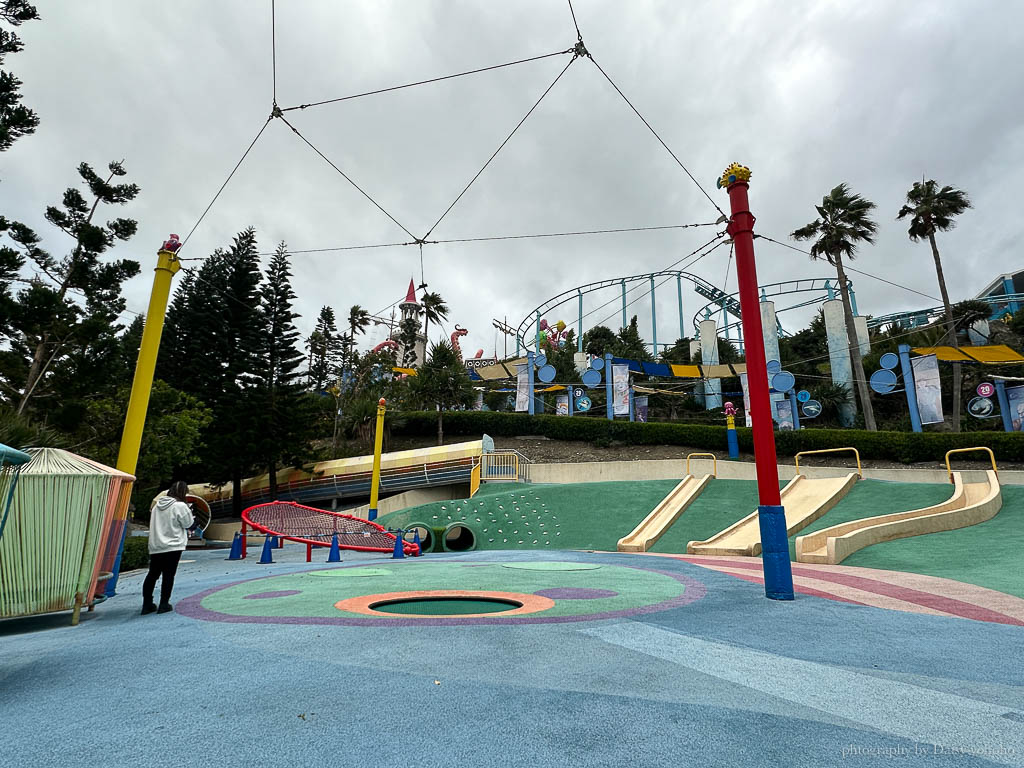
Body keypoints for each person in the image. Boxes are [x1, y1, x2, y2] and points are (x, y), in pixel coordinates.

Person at [142, 481, 194, 615]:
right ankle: (164, 604)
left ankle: (147, 604)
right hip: (173, 545)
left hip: (156, 545)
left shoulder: (156, 507)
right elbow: (188, 523)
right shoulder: (180, 506)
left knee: (152, 574)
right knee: (168, 575)